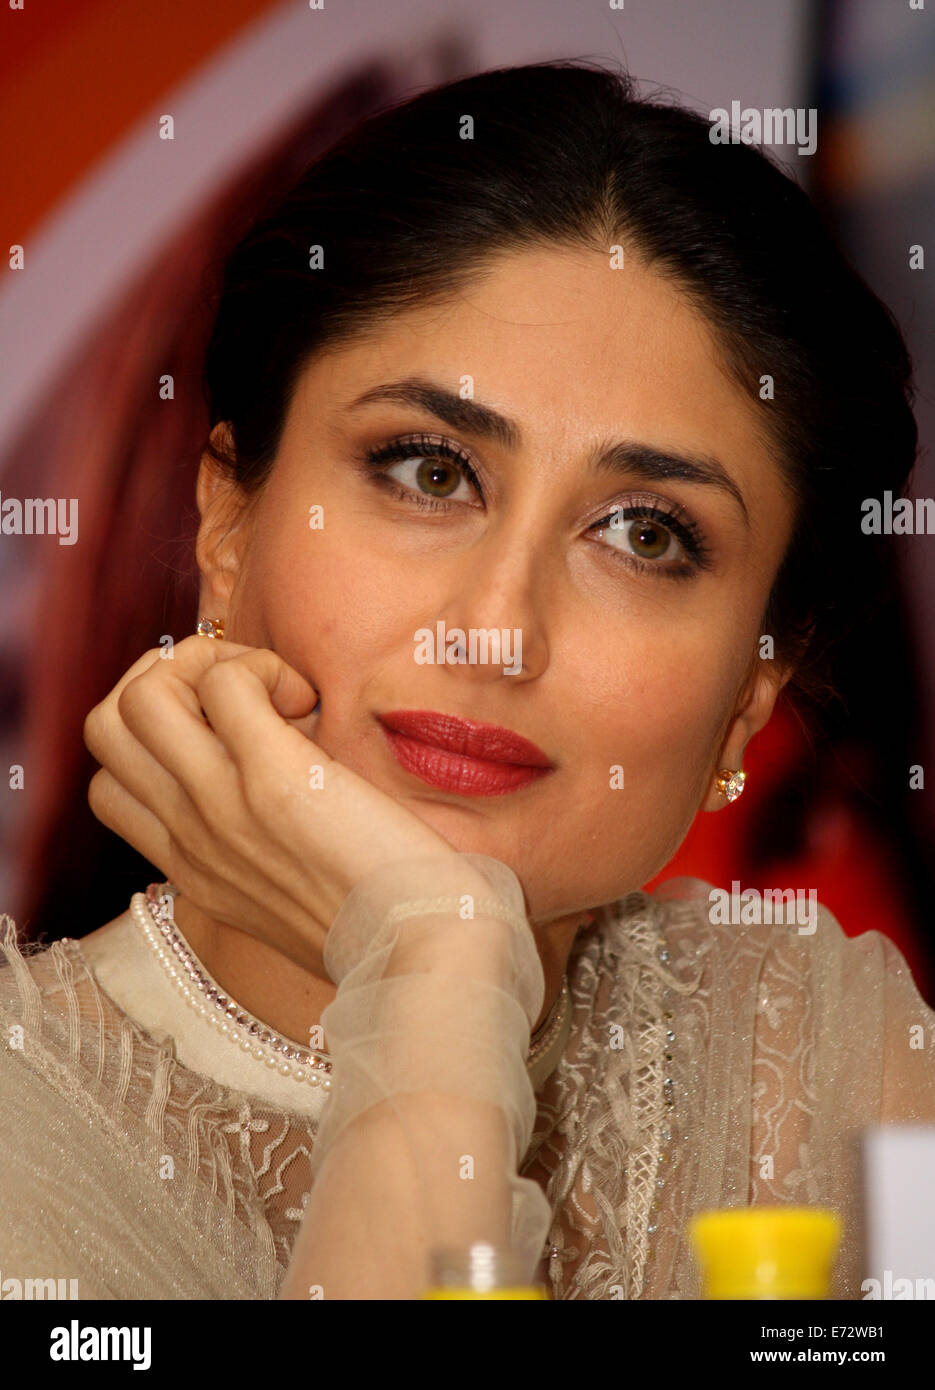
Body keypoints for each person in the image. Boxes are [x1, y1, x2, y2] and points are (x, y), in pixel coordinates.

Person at [1, 59, 933, 1301]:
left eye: (643, 534)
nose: (496, 631)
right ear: (227, 519)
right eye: (428, 472)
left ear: (748, 699)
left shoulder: (831, 1067)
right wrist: (432, 971)